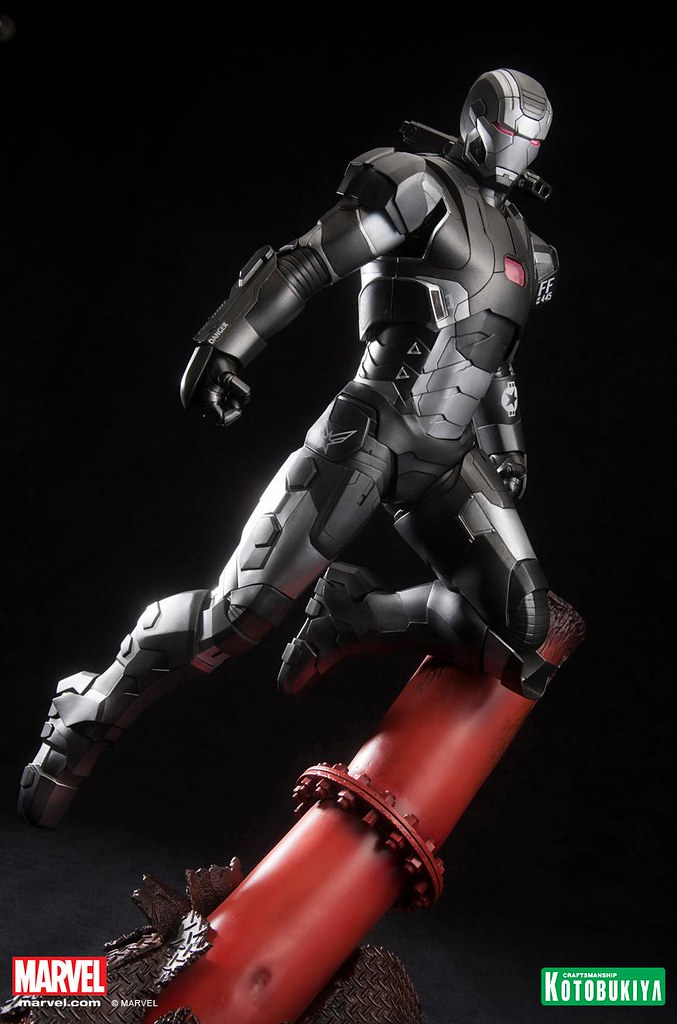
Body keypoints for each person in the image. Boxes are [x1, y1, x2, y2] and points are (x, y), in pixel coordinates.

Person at [19, 69, 559, 829]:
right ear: (477, 123)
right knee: (234, 619)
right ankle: (90, 706)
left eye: (530, 141)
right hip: (371, 432)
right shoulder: (417, 183)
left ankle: (354, 615)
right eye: (508, 133)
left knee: (518, 626)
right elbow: (309, 260)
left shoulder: (530, 250)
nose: (515, 151)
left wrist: (507, 447)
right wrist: (227, 342)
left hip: (449, 460)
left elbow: (496, 362)